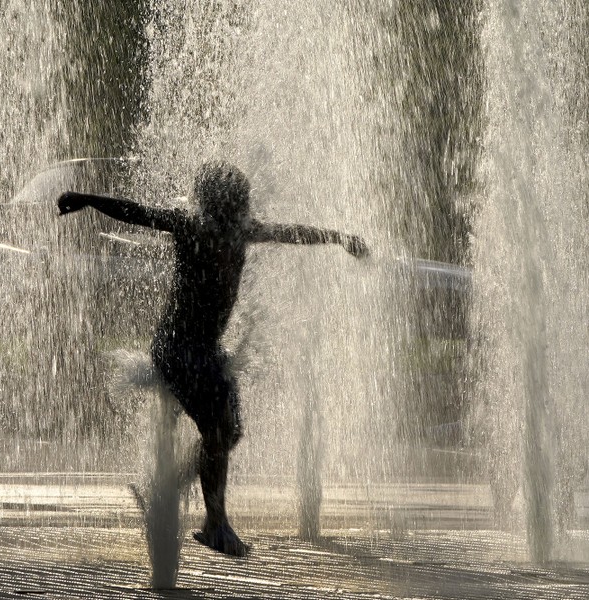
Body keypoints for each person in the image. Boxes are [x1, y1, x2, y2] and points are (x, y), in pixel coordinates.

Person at [57, 161, 368, 557]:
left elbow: (293, 233)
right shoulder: (192, 227)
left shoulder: (241, 230)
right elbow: (137, 212)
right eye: (236, 200)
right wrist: (86, 200)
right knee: (220, 429)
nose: (242, 208)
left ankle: (170, 488)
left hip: (205, 350)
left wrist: (339, 237)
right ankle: (215, 521)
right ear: (214, 202)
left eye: (242, 201)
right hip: (177, 347)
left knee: (228, 432)